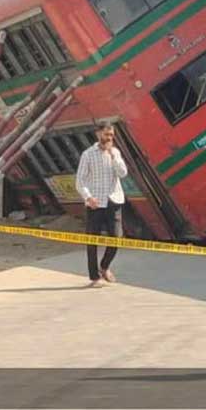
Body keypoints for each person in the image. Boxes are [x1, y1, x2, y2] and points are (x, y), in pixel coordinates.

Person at [75, 122, 129, 288]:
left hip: (114, 200)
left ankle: (104, 266)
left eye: (111, 135)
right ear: (98, 134)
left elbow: (123, 173)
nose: (109, 138)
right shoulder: (88, 155)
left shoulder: (115, 152)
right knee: (92, 240)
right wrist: (88, 197)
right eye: (106, 134)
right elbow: (80, 181)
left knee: (116, 238)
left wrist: (113, 157)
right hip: (95, 203)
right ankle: (94, 276)